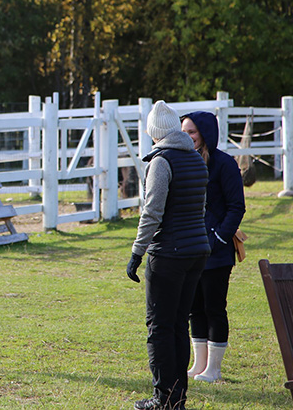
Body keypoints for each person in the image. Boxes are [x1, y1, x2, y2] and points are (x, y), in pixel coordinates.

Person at [126, 100, 210, 410]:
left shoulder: (161, 161)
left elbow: (152, 212)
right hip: (196, 251)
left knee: (159, 327)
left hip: (169, 254)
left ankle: (163, 398)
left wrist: (137, 252)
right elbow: (200, 207)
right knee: (177, 325)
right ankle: (177, 398)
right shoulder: (196, 159)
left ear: (154, 132)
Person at [181, 111, 246, 383]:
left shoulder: (224, 164)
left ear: (205, 133)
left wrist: (219, 238)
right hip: (191, 249)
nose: (187, 137)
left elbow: (236, 207)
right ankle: (200, 365)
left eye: (192, 132)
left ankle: (214, 369)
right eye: (183, 132)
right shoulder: (184, 160)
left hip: (217, 252)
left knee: (214, 307)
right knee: (195, 307)